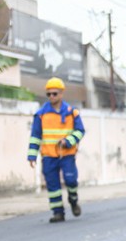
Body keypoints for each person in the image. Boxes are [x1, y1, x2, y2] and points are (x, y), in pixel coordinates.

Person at [27, 77, 84, 223]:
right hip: (49, 155)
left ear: (61, 93)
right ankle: (58, 213)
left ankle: (73, 199)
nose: (51, 96)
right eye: (49, 94)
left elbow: (80, 131)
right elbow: (35, 136)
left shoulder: (72, 112)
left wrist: (68, 141)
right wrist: (32, 155)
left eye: (54, 93)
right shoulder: (41, 114)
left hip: (67, 154)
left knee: (71, 180)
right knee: (53, 185)